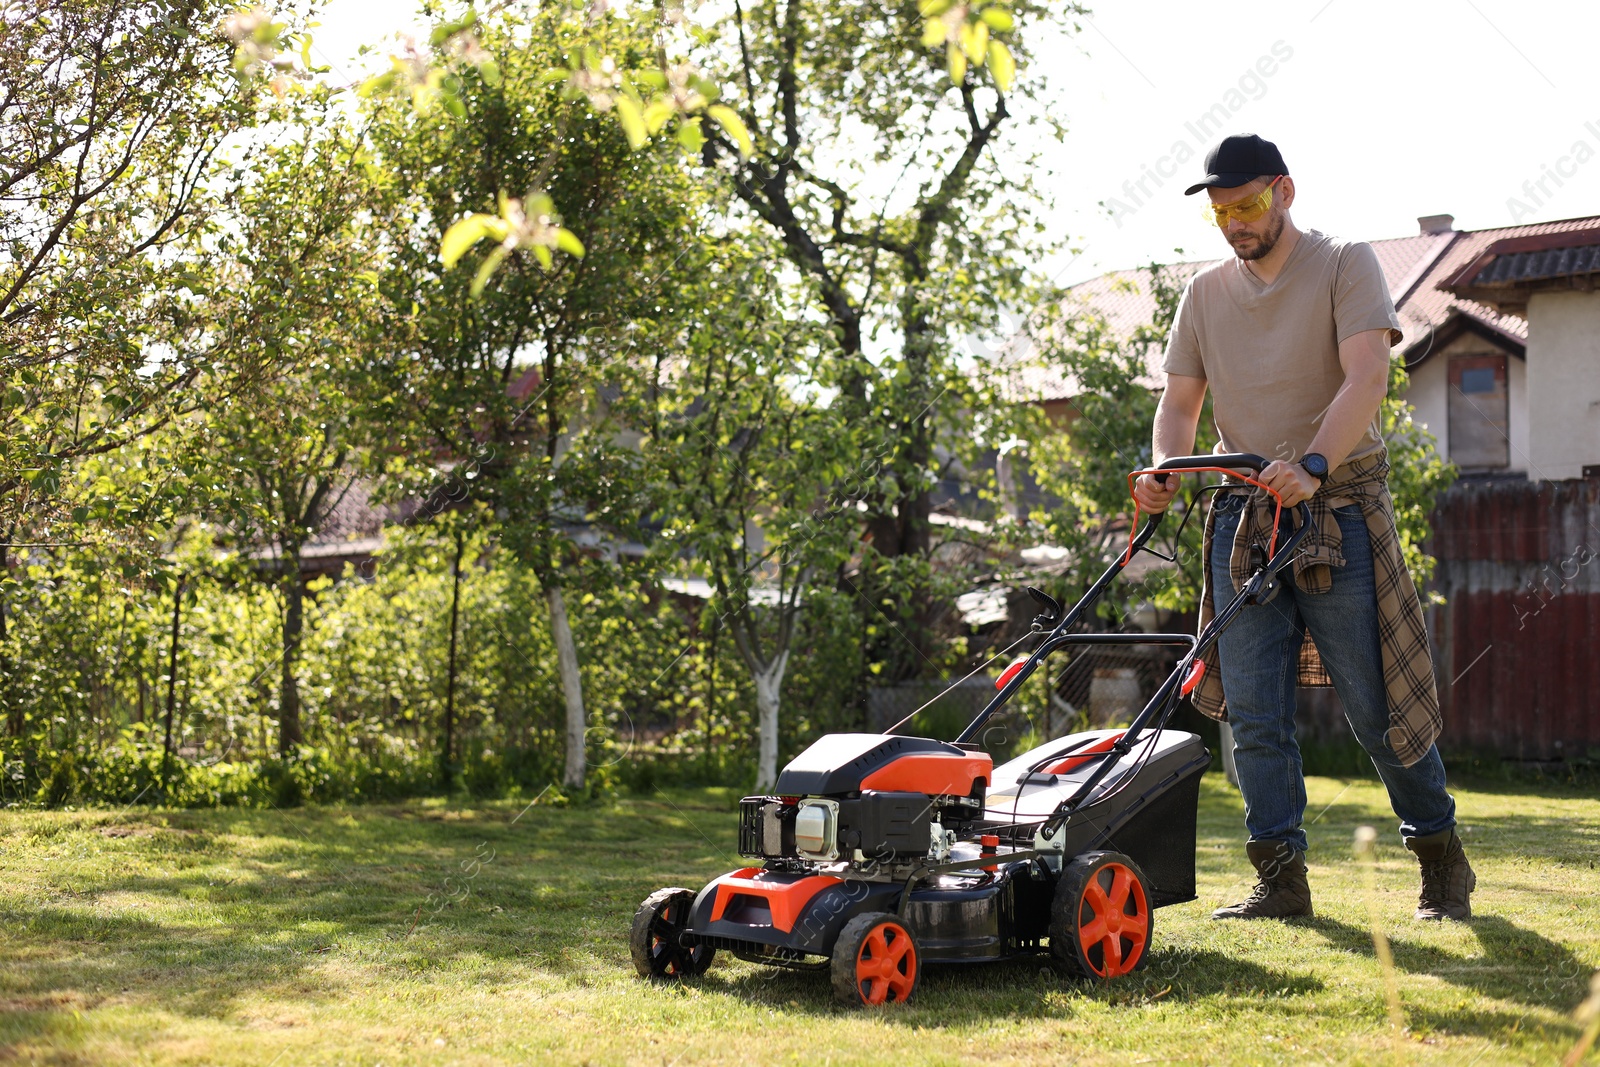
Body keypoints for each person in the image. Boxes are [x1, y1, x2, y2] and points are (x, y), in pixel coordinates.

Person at [1131, 133, 1475, 921]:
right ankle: (1280, 879)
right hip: (1242, 517)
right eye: (1221, 212)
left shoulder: (1344, 264)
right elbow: (1180, 405)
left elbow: (1368, 376)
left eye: (1246, 206)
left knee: (1376, 707)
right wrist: (1164, 470)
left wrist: (1314, 464)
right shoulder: (1205, 295)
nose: (1234, 224)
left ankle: (1440, 856)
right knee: (1254, 713)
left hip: (1338, 506)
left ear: (1285, 191)